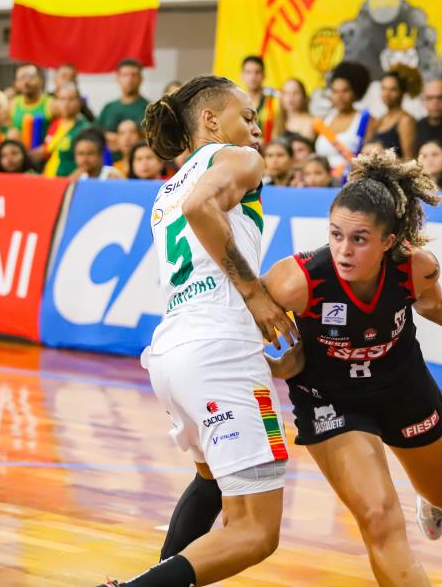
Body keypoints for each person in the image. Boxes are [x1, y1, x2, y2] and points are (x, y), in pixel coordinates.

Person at [258, 150, 442, 585]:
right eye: (336, 234)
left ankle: (434, 502)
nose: (343, 249)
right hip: (330, 399)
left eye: (359, 239)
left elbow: (439, 307)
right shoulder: (295, 280)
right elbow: (245, 334)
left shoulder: (416, 268)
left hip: (402, 387)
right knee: (378, 517)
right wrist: (276, 364)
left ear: (389, 241)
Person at [96, 74, 299, 587]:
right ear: (211, 121)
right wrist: (254, 293)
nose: (257, 131)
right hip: (220, 348)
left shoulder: (168, 187)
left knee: (210, 482)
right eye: (247, 117)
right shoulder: (238, 160)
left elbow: (193, 209)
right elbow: (201, 208)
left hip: (173, 354)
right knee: (255, 531)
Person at [314, 61, 371, 173]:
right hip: (320, 181)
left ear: (355, 92)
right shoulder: (324, 119)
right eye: (335, 91)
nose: (340, 96)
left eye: (345, 91)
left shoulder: (365, 119)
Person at [98, 59, 151, 157]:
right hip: (109, 163)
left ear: (141, 79)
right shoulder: (109, 108)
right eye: (125, 75)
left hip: (140, 164)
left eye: (134, 75)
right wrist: (108, 137)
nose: (129, 79)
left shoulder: (151, 109)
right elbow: (94, 134)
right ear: (117, 78)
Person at [37, 83, 90, 177]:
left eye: (71, 99)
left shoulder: (85, 129)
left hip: (68, 184)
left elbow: (88, 164)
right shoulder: (54, 124)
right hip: (49, 180)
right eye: (62, 99)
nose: (66, 103)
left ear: (79, 102)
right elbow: (48, 152)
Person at [367, 71, 416, 160]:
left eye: (393, 89)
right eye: (384, 88)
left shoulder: (405, 120)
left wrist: (384, 157)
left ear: (402, 92)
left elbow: (409, 160)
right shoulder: (380, 119)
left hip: (394, 173)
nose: (387, 94)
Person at [10, 64, 54, 146]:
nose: (26, 82)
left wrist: (45, 149)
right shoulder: (12, 105)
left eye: (30, 77)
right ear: (15, 83)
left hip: (45, 155)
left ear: (40, 80)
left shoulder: (52, 104)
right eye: (22, 78)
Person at [242, 55, 279, 143]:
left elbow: (278, 131)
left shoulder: (275, 101)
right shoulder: (235, 102)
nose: (253, 76)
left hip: (269, 150)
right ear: (242, 75)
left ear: (264, 75)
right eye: (248, 72)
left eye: (257, 72)